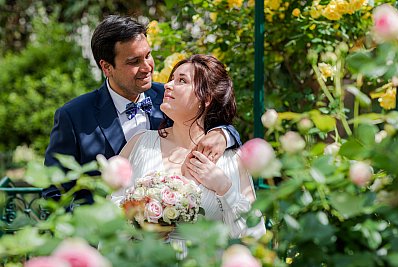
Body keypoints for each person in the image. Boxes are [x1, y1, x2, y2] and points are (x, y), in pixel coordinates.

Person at [43, 15, 240, 204]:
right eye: (134, 61)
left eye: (148, 55)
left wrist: (223, 133)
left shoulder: (170, 98)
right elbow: (55, 194)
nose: (147, 67)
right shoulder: (73, 116)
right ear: (106, 67)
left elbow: (212, 114)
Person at [117, 54, 266, 239]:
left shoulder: (229, 158)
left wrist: (225, 188)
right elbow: (111, 212)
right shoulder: (140, 144)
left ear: (206, 98)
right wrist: (139, 225)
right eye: (172, 79)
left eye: (182, 81)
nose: (167, 85)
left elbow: (254, 234)